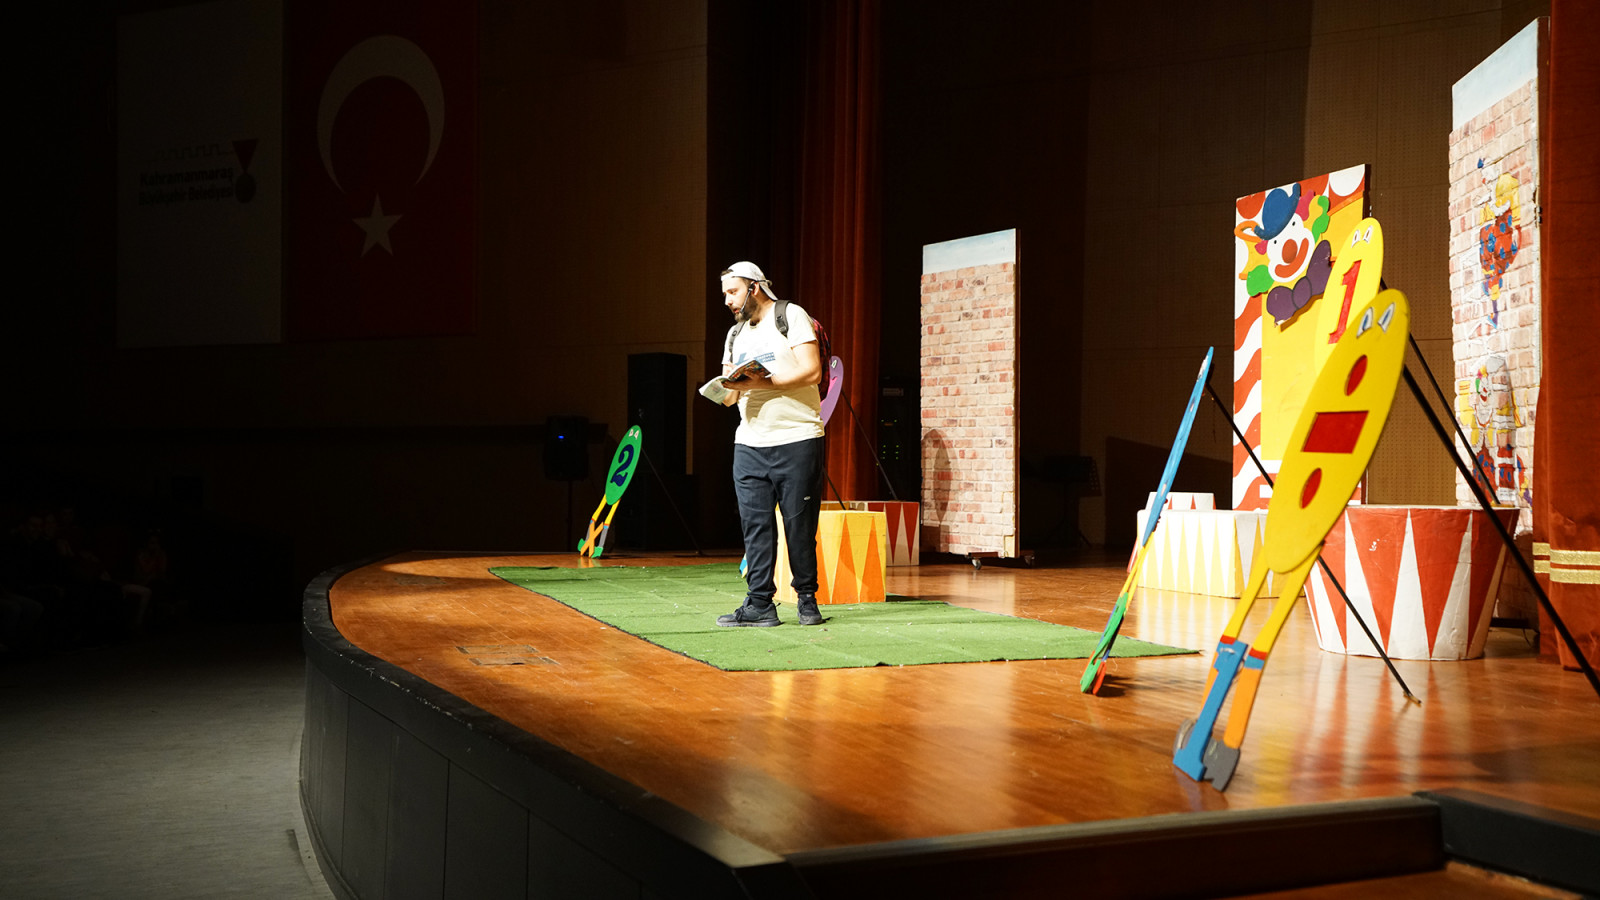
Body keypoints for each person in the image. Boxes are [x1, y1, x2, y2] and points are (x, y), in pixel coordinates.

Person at [714, 261, 826, 627]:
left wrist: (763, 382)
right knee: (755, 525)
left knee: (799, 525)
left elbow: (812, 371)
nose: (728, 300)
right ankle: (760, 602)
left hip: (797, 437)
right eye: (725, 294)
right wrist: (725, 388)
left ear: (755, 287)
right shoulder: (735, 334)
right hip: (749, 442)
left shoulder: (790, 315)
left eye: (733, 291)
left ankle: (807, 600)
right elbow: (731, 397)